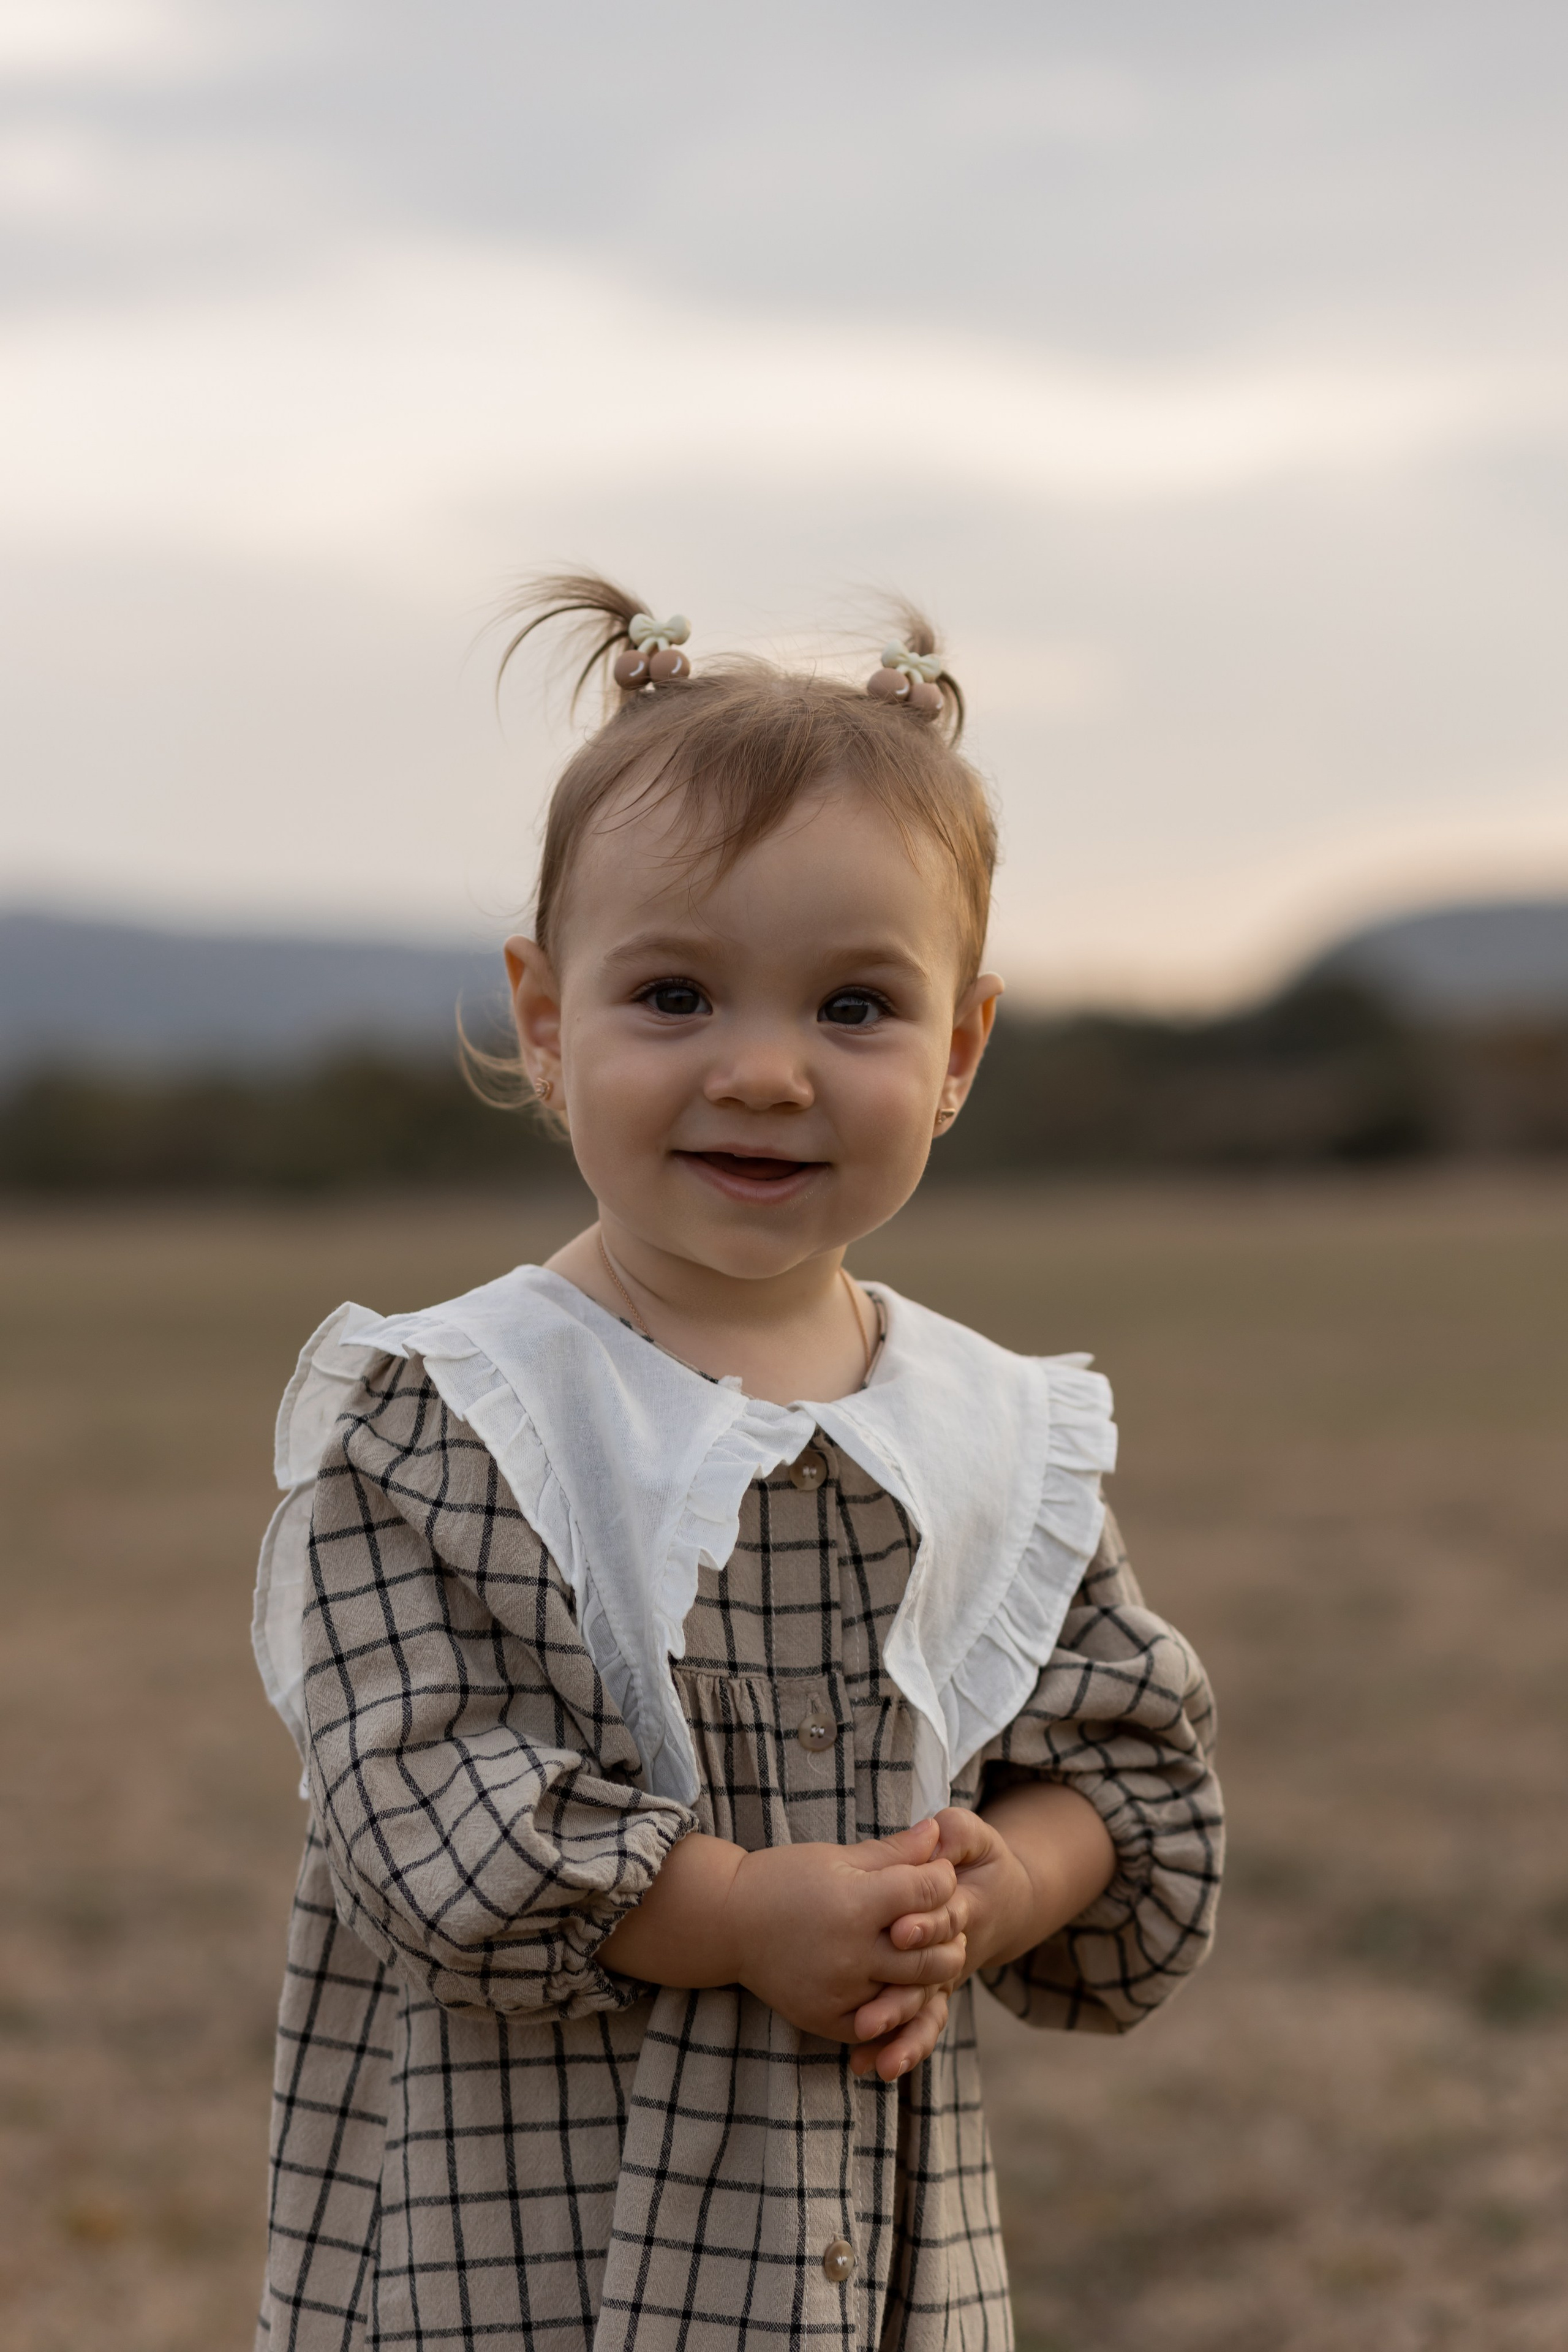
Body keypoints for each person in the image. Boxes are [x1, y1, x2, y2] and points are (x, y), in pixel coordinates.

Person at [251, 575, 1224, 2352]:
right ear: (548, 1020)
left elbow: (1133, 1772)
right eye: (677, 994)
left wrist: (1004, 1884)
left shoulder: (989, 1431)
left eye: (857, 1008)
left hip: (869, 2254)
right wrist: (737, 1912)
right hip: (528, 2242)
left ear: (961, 1050)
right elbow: (421, 1809)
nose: (765, 1072)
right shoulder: (445, 1416)